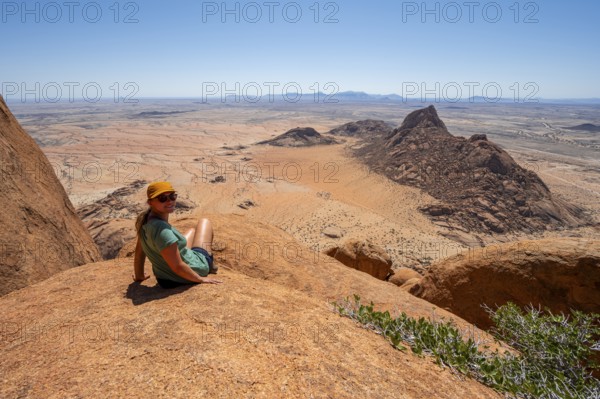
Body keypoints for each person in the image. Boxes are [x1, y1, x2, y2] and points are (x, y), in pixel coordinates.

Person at [133, 181, 222, 287]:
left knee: (192, 231)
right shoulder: (162, 230)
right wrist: (200, 279)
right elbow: (178, 266)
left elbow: (139, 253)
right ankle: (208, 263)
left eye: (172, 196)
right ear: (150, 202)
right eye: (162, 198)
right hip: (189, 273)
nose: (169, 201)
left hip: (164, 279)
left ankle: (192, 255)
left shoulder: (144, 221)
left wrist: (139, 275)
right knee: (204, 222)